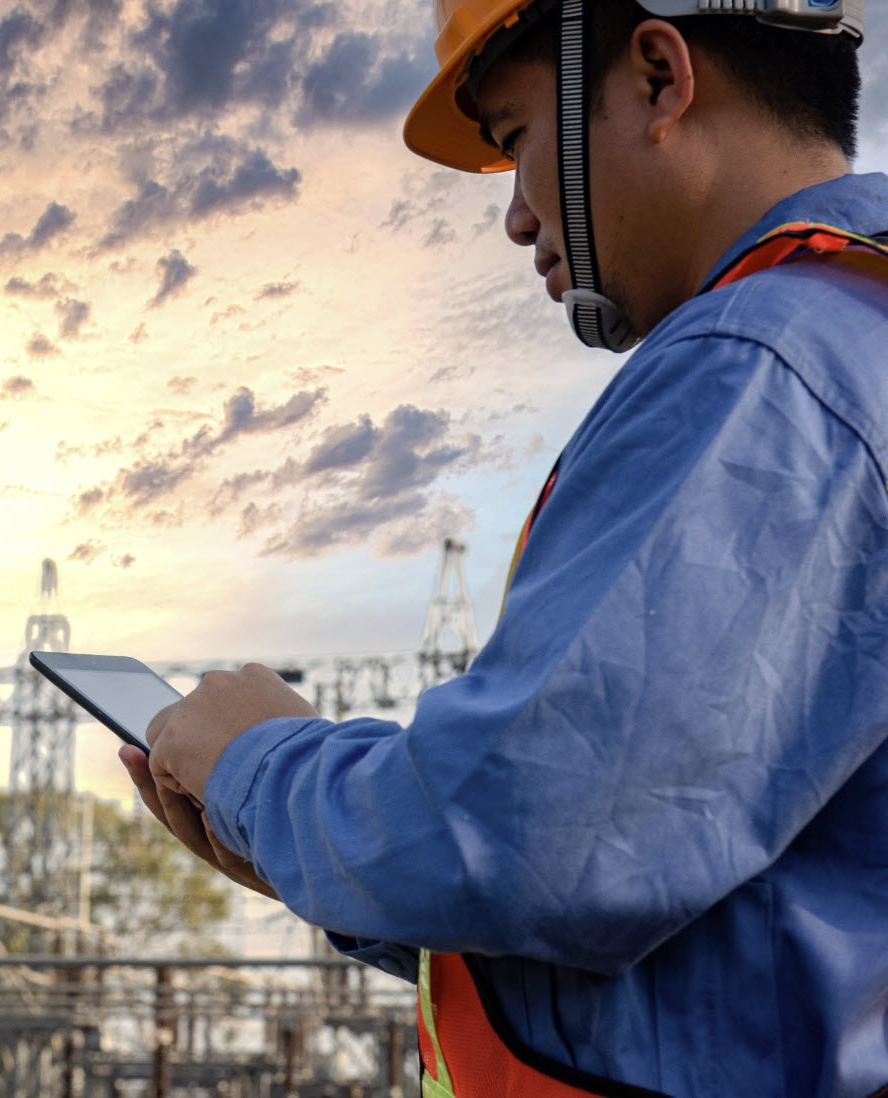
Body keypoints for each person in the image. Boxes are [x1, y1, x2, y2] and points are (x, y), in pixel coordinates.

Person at [120, 1, 888, 1095]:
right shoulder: (860, 330)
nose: (519, 218)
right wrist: (320, 865)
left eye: (517, 137)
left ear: (660, 78)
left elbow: (528, 841)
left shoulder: (757, 368)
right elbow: (735, 932)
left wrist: (261, 766)